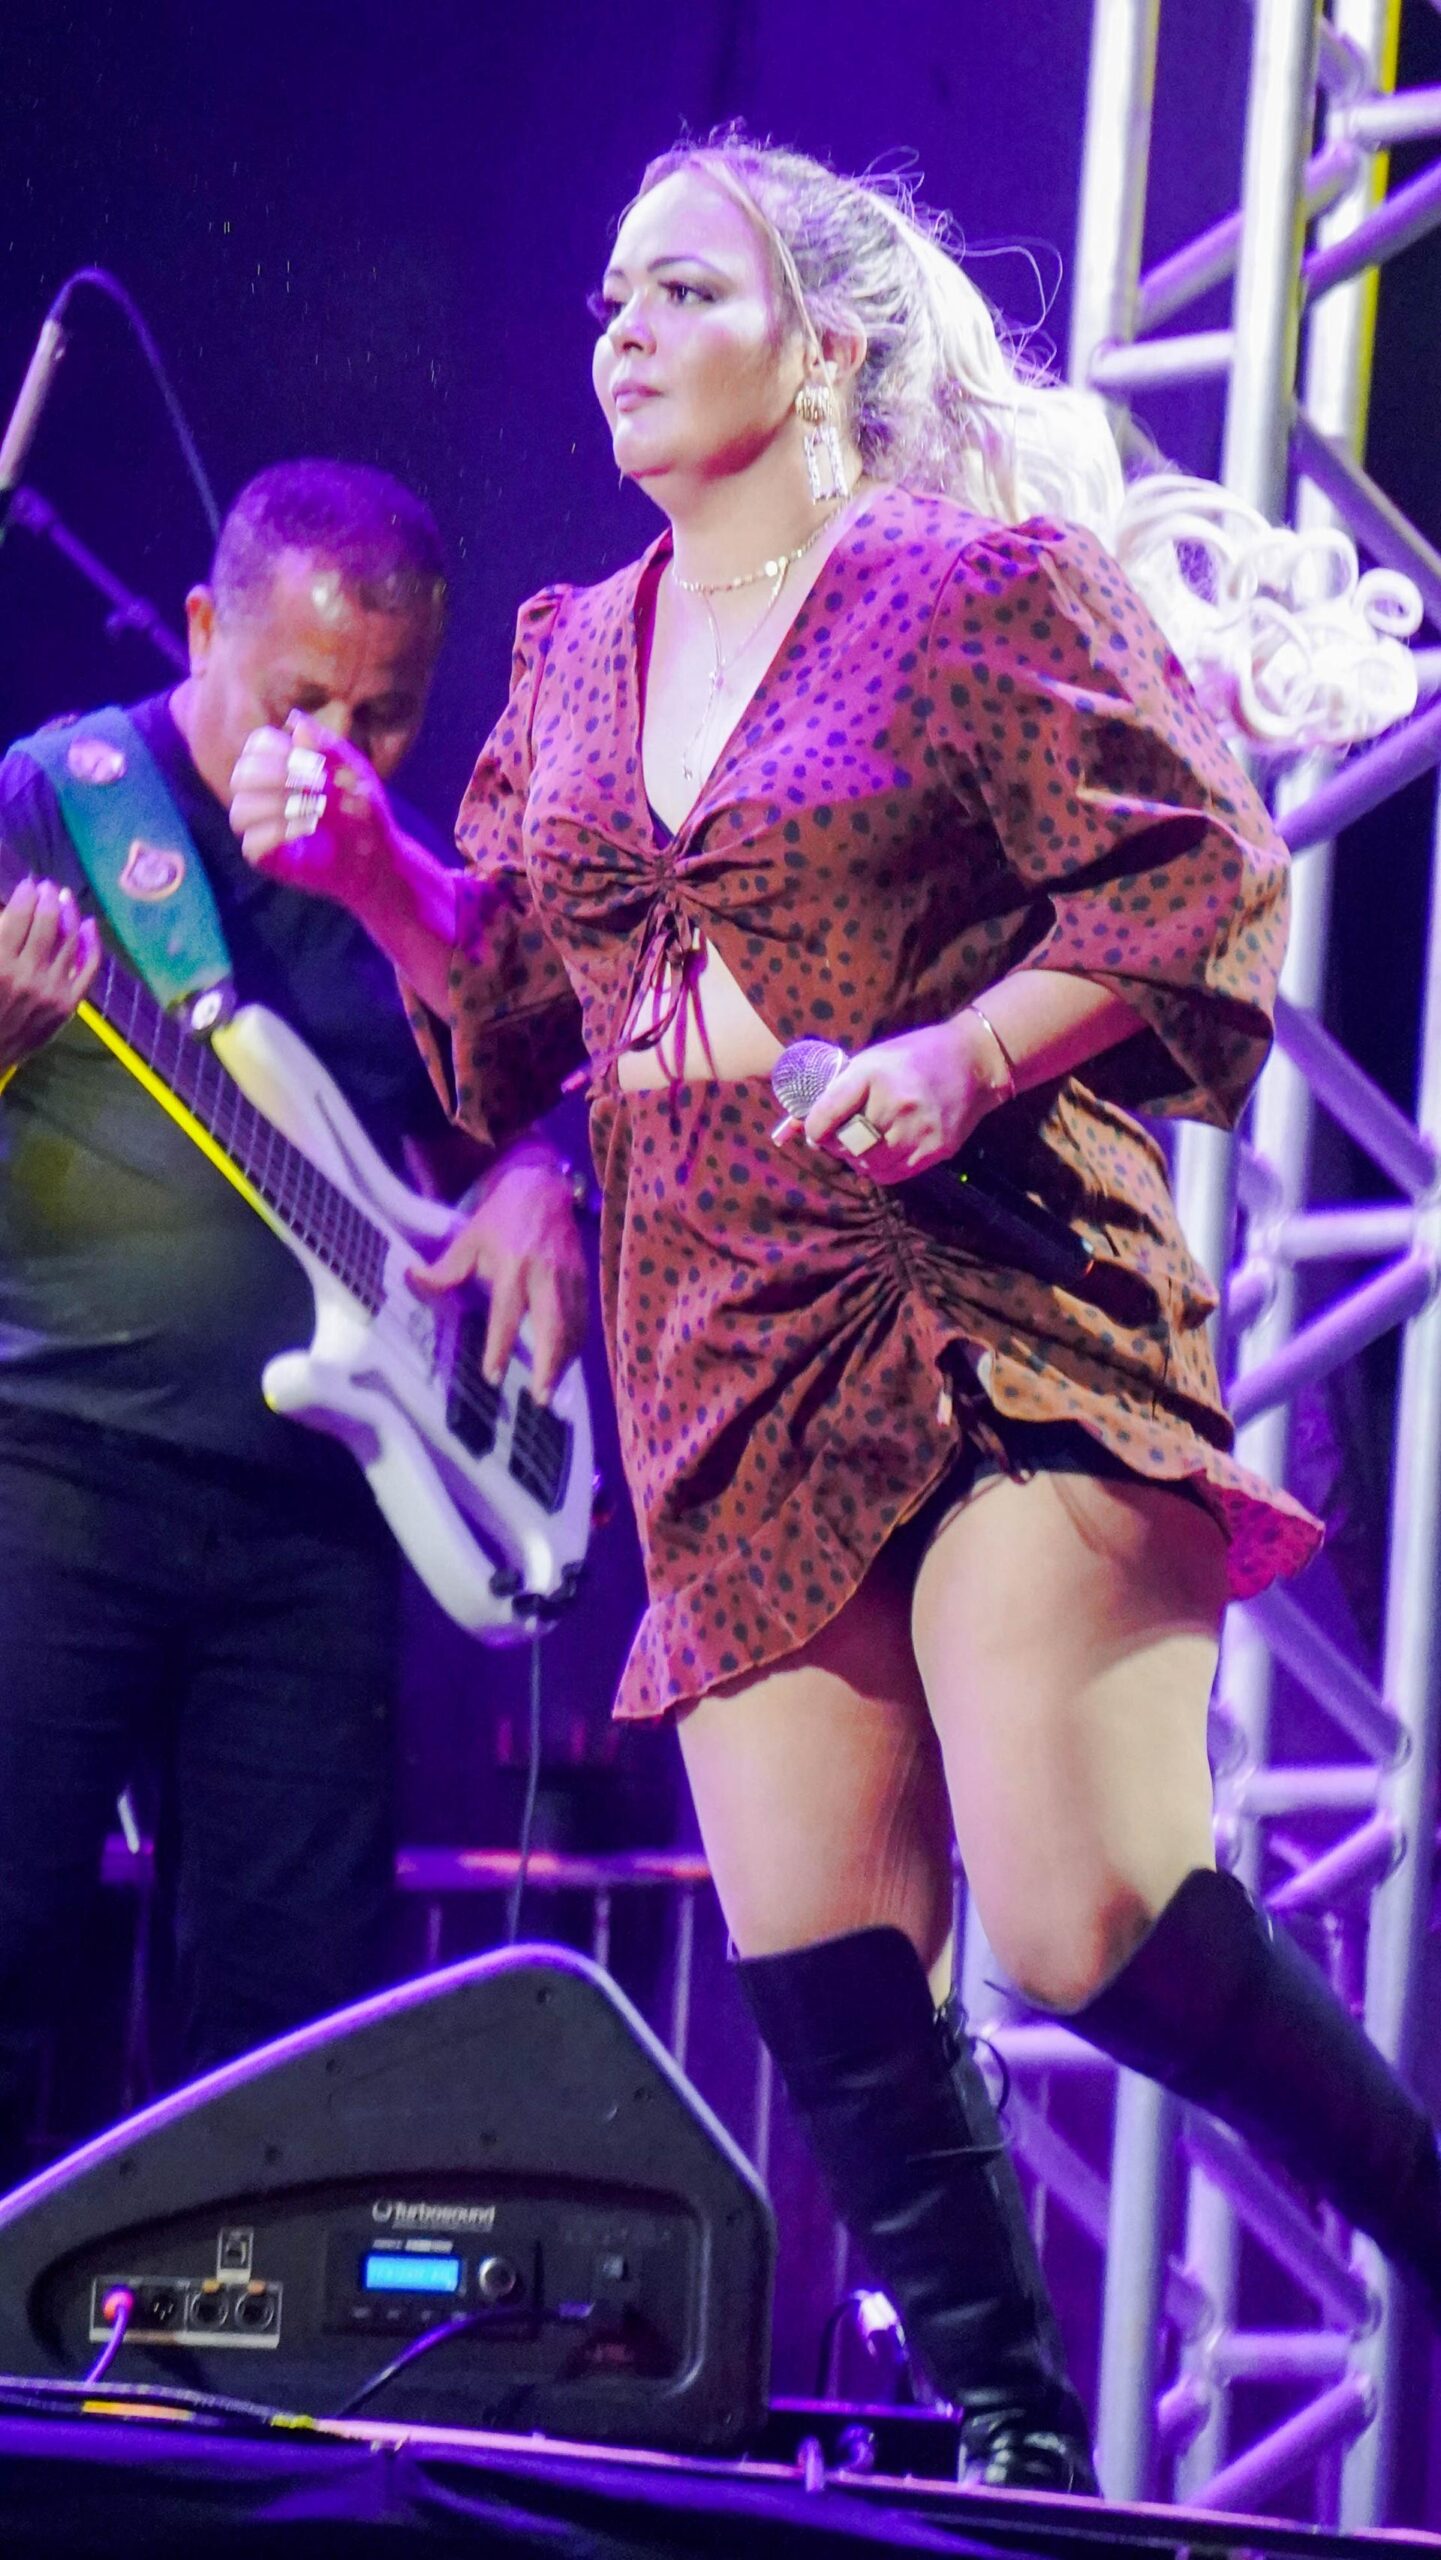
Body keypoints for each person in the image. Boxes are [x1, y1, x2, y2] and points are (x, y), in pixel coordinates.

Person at [229, 151, 1441, 2494]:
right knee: (821, 1959)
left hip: (986, 1291)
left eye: (684, 288)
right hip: (720, 1336)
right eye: (609, 289)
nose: (618, 324)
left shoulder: (963, 587)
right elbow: (511, 1018)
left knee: (1079, 1918)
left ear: (825, 347)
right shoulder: (573, 650)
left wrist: (963, 1051)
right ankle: (1014, 2451)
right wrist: (372, 870)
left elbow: (1198, 870)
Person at [0, 459, 587, 2187]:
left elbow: (496, 1105)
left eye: (385, 712)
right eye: (300, 698)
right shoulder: (58, 803)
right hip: (55, 1478)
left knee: (285, 2042)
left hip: (316, 1527)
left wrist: (537, 1174)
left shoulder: (403, 883)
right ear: (202, 628)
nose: (341, 748)